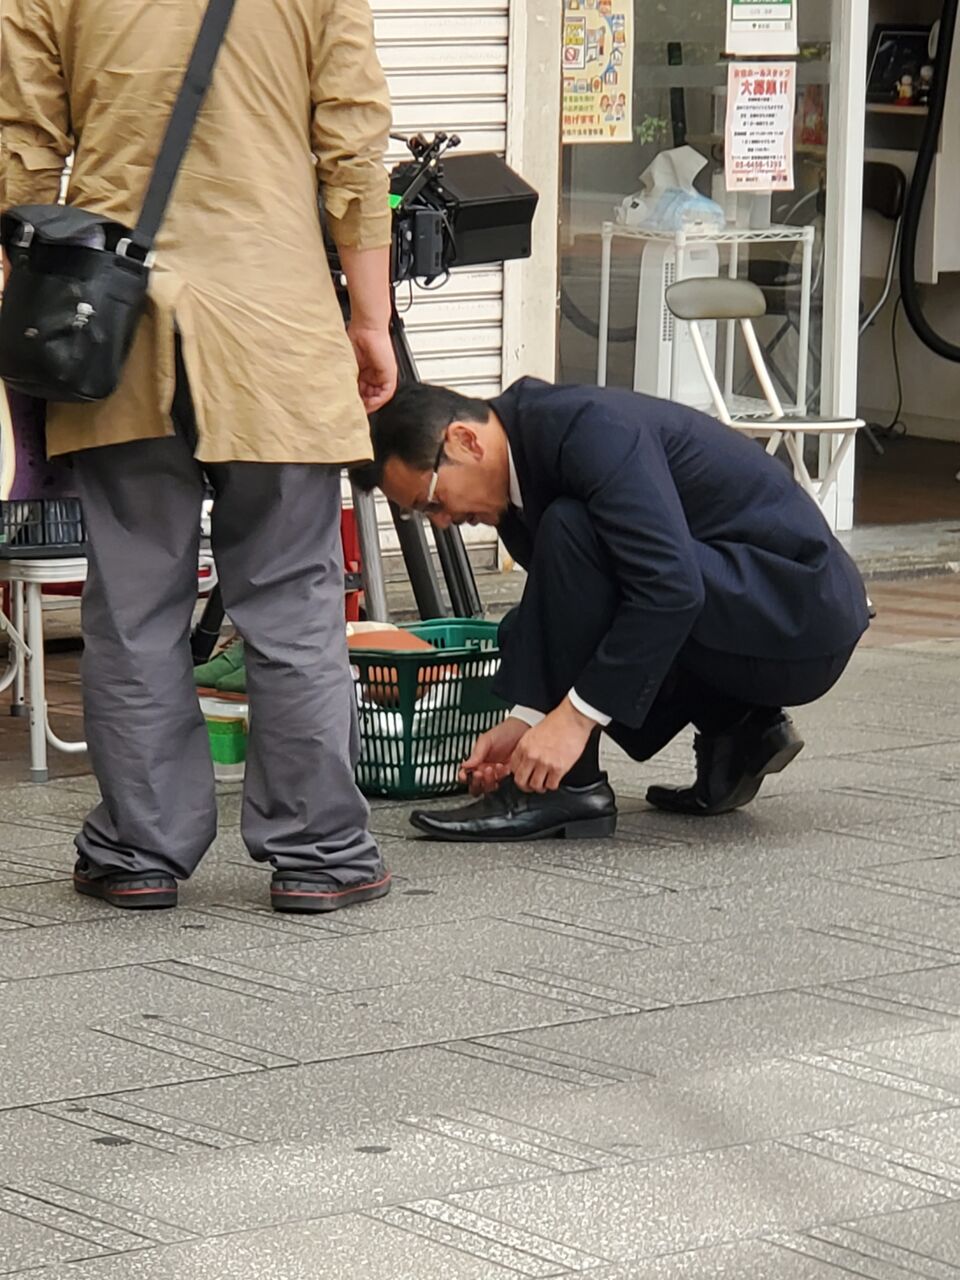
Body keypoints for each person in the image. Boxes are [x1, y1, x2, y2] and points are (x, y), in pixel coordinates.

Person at [0, 0, 397, 911]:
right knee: (292, 599)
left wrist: (31, 308)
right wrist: (370, 317)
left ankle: (137, 850)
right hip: (275, 326)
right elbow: (353, 152)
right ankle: (321, 853)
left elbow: (21, 155)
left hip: (114, 325)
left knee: (133, 602)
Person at [351, 379, 870, 842]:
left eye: (431, 502)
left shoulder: (587, 431)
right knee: (526, 625)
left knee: (575, 533)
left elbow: (671, 590)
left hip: (798, 612)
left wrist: (572, 723)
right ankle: (736, 728)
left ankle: (569, 789)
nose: (441, 522)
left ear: (465, 440)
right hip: (746, 601)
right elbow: (571, 609)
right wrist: (528, 720)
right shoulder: (521, 469)